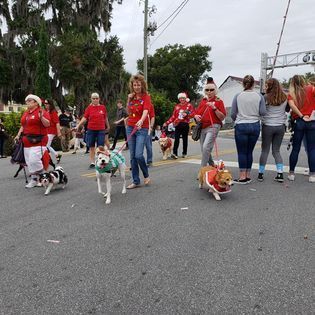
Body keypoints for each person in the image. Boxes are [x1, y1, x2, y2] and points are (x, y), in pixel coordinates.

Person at [231, 75, 266, 184]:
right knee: (249, 151)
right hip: (255, 125)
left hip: (241, 125)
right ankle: (248, 175)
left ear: (243, 84)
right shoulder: (259, 96)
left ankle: (242, 176)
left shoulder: (238, 96)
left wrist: (237, 119)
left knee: (242, 152)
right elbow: (263, 112)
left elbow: (232, 113)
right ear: (253, 84)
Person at [14, 94, 51, 188]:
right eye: (27, 101)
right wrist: (18, 135)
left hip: (39, 140)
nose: (27, 102)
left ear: (36, 102)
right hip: (26, 141)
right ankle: (34, 180)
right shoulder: (26, 112)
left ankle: (42, 174)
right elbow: (23, 125)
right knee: (29, 162)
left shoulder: (41, 111)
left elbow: (47, 124)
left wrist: (41, 117)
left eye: (29, 101)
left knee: (33, 160)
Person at [257, 78, 288, 182]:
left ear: (269, 86)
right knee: (276, 151)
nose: (265, 87)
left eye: (266, 85)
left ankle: (260, 174)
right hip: (280, 126)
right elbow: (287, 110)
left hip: (268, 126)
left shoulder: (265, 97)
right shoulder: (285, 97)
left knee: (265, 150)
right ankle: (280, 174)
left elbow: (262, 111)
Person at [287, 75, 315, 182]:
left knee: (296, 148)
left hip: (299, 122)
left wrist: (301, 115)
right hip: (312, 121)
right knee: (312, 149)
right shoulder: (311, 89)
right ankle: (312, 175)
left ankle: (291, 173)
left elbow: (292, 106)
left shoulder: (292, 93)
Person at [125, 73, 152, 189]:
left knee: (138, 155)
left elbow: (146, 110)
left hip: (142, 128)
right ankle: (136, 180)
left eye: (138, 85)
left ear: (142, 85)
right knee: (132, 156)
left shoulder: (146, 96)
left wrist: (141, 120)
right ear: (132, 85)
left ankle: (146, 174)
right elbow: (128, 111)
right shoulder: (131, 97)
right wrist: (128, 99)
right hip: (130, 127)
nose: (136, 87)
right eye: (134, 85)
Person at [194, 83, 226, 167]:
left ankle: (202, 169)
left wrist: (214, 108)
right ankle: (211, 164)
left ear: (215, 91)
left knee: (205, 147)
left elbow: (222, 117)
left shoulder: (219, 101)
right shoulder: (203, 101)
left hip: (213, 126)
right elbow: (197, 113)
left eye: (211, 90)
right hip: (203, 127)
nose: (209, 92)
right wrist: (196, 116)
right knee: (204, 149)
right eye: (207, 90)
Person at [76, 92, 110, 168]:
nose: (95, 100)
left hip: (101, 129)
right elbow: (84, 118)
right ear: (91, 99)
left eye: (96, 98)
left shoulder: (103, 107)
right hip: (91, 129)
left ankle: (101, 161)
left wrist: (108, 125)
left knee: (100, 146)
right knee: (91, 146)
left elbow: (105, 118)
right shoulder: (89, 108)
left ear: (99, 99)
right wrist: (78, 125)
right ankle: (92, 162)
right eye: (93, 98)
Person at [163, 92, 195, 159]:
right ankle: (175, 153)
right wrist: (167, 123)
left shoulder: (189, 105)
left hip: (185, 124)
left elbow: (193, 114)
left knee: (185, 139)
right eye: (180, 98)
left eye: (183, 98)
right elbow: (173, 116)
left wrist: (187, 114)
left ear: (185, 98)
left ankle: (184, 153)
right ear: (179, 99)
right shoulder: (177, 106)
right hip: (177, 124)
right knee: (176, 139)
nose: (182, 99)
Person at [44, 99, 62, 163]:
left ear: (50, 104)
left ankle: (48, 159)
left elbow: (57, 122)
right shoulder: (46, 111)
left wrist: (59, 132)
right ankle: (57, 155)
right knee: (47, 146)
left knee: (46, 146)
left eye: (46, 103)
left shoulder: (53, 112)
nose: (45, 104)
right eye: (45, 103)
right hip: (47, 131)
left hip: (51, 131)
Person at [145, 102, 155, 167]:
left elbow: (152, 116)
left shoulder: (150, 105)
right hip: (137, 128)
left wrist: (151, 126)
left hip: (147, 128)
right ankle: (135, 163)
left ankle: (149, 161)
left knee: (148, 145)